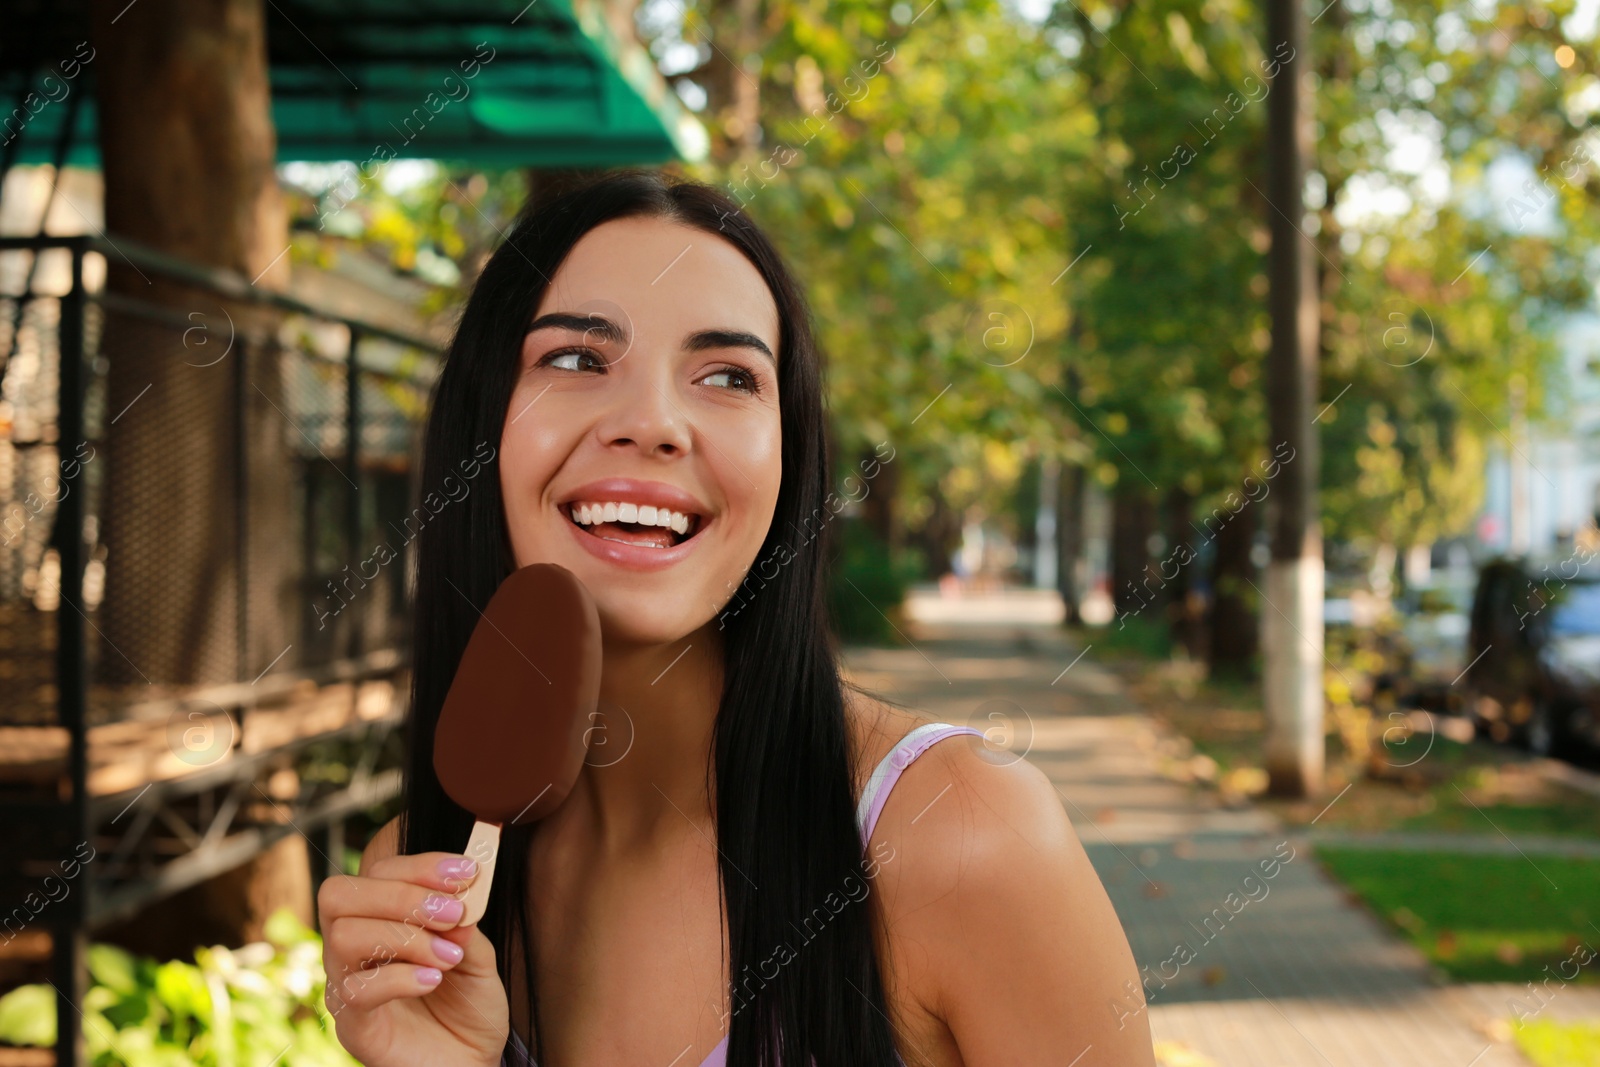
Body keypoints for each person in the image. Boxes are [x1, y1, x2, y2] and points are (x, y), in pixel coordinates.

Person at [317, 170, 1154, 1067]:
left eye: (727, 375)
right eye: (575, 358)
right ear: (481, 428)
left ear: (789, 461)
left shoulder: (965, 834)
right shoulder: (427, 892)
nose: (653, 422)